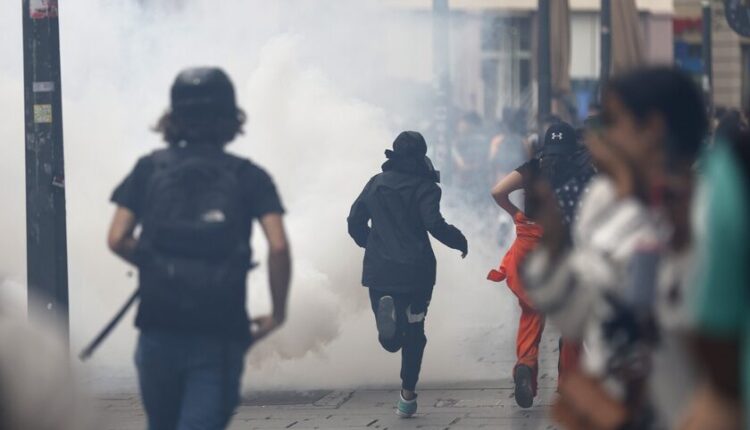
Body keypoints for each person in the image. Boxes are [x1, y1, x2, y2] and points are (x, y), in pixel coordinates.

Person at [523, 67, 709, 429]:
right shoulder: (603, 197)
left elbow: (674, 313)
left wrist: (634, 203)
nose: (601, 136)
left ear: (652, 128)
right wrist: (554, 245)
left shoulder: (707, 206)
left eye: (613, 121)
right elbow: (577, 315)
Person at [107, 67, 291, 430]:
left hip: (159, 328)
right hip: (219, 330)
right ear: (231, 118)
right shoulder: (250, 176)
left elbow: (116, 238)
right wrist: (277, 314)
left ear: (173, 116)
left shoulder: (148, 169)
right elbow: (279, 246)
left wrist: (160, 262)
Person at [347, 131, 467, 418]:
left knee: (391, 339)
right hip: (416, 274)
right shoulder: (426, 187)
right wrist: (459, 240)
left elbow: (354, 220)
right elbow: (434, 224)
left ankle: (388, 333)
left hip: (379, 271)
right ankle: (407, 396)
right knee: (415, 332)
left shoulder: (376, 183)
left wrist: (371, 244)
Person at [487, 121, 594, 408]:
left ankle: (526, 363)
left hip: (530, 243)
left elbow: (497, 191)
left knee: (531, 310)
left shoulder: (533, 167)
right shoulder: (583, 171)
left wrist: (516, 214)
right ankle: (569, 382)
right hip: (564, 244)